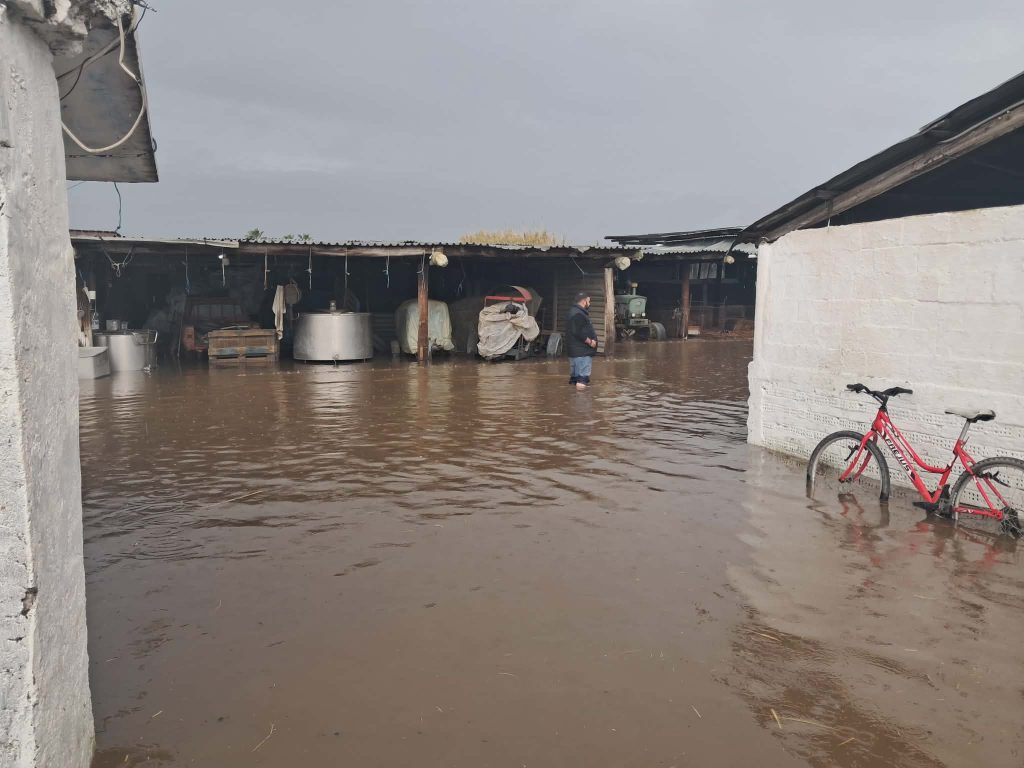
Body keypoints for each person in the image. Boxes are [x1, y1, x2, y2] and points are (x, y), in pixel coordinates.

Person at [565, 291, 598, 390]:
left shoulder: (573, 312)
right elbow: (577, 332)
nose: (589, 303)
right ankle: (582, 404)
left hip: (575, 352)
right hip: (582, 353)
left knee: (575, 380)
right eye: (589, 301)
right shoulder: (578, 314)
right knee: (582, 379)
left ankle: (573, 401)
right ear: (584, 301)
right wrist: (590, 342)